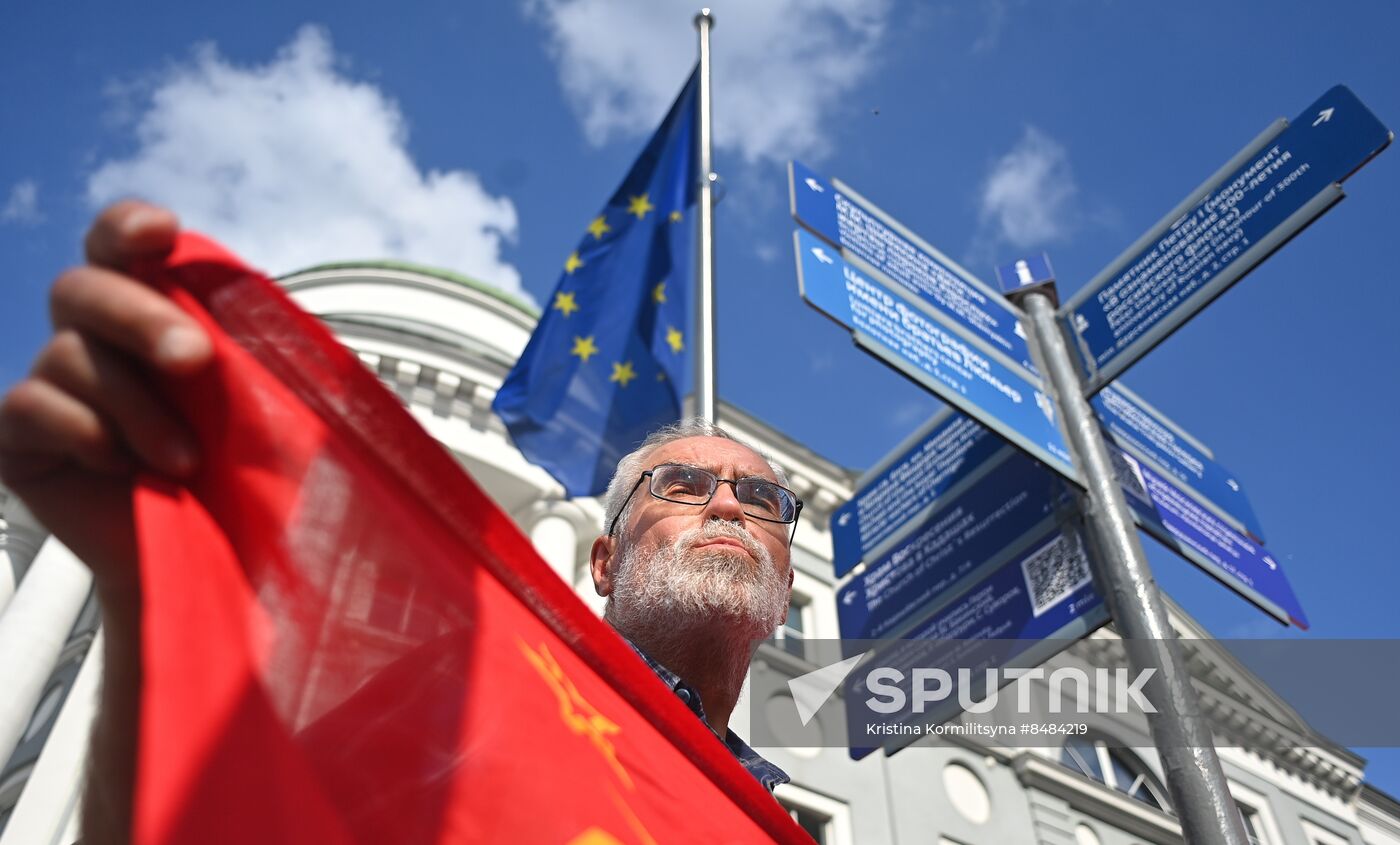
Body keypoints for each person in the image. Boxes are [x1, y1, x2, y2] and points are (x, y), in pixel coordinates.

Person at [0, 201, 796, 844]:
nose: (727, 505)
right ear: (604, 562)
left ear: (787, 582)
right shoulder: (469, 691)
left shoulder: (774, 820)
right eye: (682, 484)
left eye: (762, 501)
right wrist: (156, 601)